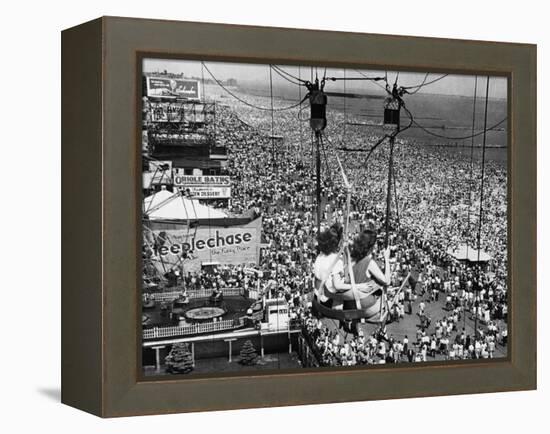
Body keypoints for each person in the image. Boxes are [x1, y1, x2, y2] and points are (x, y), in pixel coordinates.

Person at [313, 224, 373, 310]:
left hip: (318, 295)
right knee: (356, 291)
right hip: (328, 300)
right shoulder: (336, 260)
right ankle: (350, 319)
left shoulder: (320, 256)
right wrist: (359, 286)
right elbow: (337, 286)